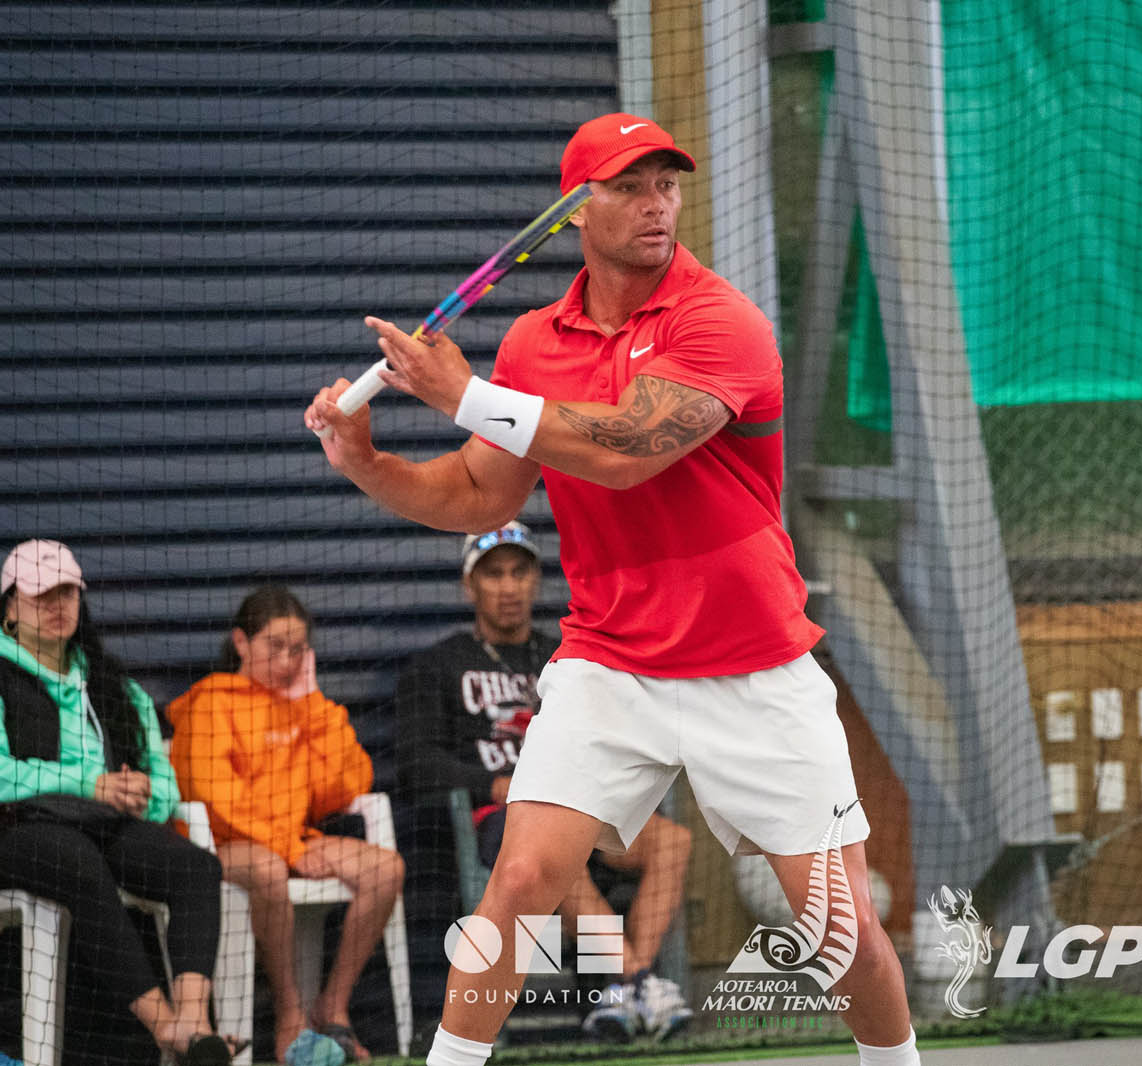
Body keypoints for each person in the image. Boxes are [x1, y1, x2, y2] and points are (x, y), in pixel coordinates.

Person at [305, 112, 919, 1066]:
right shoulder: (532, 344)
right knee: (519, 883)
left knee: (844, 935)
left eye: (666, 184)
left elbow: (627, 448)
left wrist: (465, 396)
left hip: (753, 665)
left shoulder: (721, 320)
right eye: (630, 187)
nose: (656, 204)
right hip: (610, 660)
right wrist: (367, 462)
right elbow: (480, 494)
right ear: (575, 211)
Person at [394, 521, 694, 1041]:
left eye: (519, 572)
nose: (508, 587)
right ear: (469, 586)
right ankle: (638, 980)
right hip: (501, 819)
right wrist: (493, 785)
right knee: (552, 849)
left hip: (578, 805)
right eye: (494, 575)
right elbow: (416, 762)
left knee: (672, 840)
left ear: (536, 580)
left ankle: (626, 990)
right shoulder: (440, 665)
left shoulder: (568, 659)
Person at [0, 539, 243, 1066]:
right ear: (10, 608)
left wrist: (142, 799)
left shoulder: (114, 686)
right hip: (17, 829)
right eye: (41, 595)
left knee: (196, 866)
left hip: (104, 824)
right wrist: (90, 783)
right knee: (76, 861)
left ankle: (195, 1025)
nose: (58, 605)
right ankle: (167, 1030)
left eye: (67, 592)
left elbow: (164, 780)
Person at [168, 586, 405, 1064]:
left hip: (290, 841)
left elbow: (347, 786)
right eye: (274, 646)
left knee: (386, 869)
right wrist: (289, 849)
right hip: (221, 846)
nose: (285, 661)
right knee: (268, 868)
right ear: (241, 642)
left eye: (297, 649)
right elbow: (215, 799)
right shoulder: (211, 703)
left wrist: (312, 704)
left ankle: (331, 1007)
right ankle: (290, 1013)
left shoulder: (302, 705)